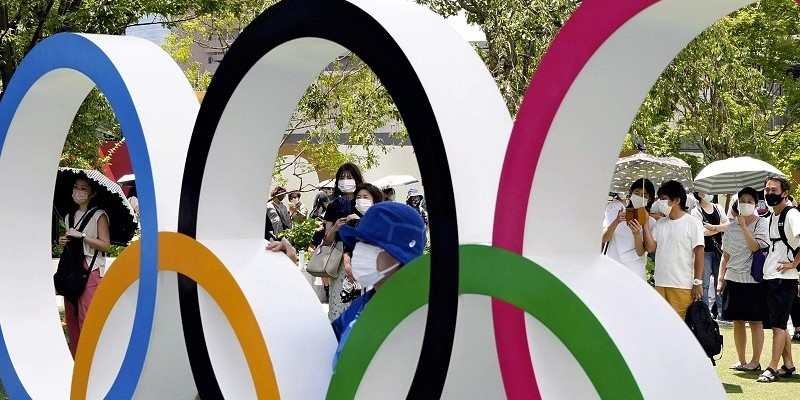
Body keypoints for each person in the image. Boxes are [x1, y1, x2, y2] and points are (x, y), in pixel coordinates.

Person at [331, 202, 426, 365]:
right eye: (360, 242)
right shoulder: (364, 303)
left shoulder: (418, 315)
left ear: (400, 257)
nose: (360, 250)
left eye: (371, 244)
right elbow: (326, 338)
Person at [716, 187, 769, 372]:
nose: (745, 203)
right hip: (733, 279)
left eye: (749, 201)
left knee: (756, 322)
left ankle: (755, 361)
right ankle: (741, 360)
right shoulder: (730, 227)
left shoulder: (761, 224)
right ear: (737, 203)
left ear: (755, 204)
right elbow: (726, 254)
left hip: (753, 280)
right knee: (737, 321)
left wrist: (745, 227)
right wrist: (721, 279)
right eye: (742, 200)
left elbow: (756, 248)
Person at [58, 176, 111, 355]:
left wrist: (82, 236)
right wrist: (64, 240)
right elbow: (71, 244)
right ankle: (77, 357)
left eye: (83, 188)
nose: (78, 192)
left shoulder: (99, 215)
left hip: (91, 269)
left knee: (88, 316)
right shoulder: (68, 216)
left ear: (92, 193)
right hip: (71, 270)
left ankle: (93, 357)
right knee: (71, 315)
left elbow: (105, 244)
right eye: (76, 187)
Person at [756, 176, 800, 383]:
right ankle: (788, 364)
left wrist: (793, 264)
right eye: (766, 189)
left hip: (784, 279)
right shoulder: (773, 215)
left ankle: (772, 368)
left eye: (773, 190)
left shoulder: (791, 214)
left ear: (784, 193)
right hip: (772, 276)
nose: (768, 193)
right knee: (777, 324)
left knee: (779, 327)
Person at [643, 180, 705, 319]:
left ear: (676, 200)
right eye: (659, 199)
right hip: (660, 282)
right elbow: (651, 248)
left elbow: (699, 252)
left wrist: (698, 282)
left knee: (680, 328)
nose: (660, 202)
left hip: (681, 284)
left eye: (664, 199)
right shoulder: (660, 223)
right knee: (661, 325)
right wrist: (645, 225)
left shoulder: (692, 223)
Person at [323, 163, 365, 320]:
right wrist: (335, 227)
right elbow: (326, 240)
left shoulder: (365, 202)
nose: (346, 180)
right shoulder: (333, 205)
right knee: (339, 303)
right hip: (339, 260)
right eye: (342, 178)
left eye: (349, 177)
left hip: (362, 258)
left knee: (360, 304)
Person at [601, 178, 656, 280]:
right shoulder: (616, 211)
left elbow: (640, 252)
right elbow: (604, 239)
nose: (640, 197)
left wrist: (637, 234)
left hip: (634, 273)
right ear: (630, 194)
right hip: (612, 267)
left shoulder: (650, 222)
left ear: (650, 199)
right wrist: (616, 221)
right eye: (637, 192)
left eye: (645, 195)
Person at [691, 191, 729, 318]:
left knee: (720, 281)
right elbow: (700, 232)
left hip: (719, 250)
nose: (709, 193)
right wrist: (719, 228)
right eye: (705, 191)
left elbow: (728, 225)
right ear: (699, 193)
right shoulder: (695, 211)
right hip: (704, 251)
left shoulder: (718, 208)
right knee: (705, 284)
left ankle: (721, 313)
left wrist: (712, 227)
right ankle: (705, 313)